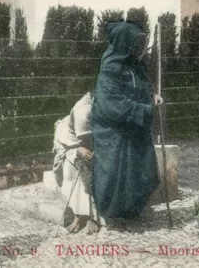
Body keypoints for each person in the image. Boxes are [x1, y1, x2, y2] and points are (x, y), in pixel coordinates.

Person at [90, 20, 161, 221]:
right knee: (117, 172)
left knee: (142, 168)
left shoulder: (134, 64)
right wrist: (145, 109)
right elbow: (111, 103)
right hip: (114, 129)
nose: (138, 48)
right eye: (134, 43)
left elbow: (144, 84)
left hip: (133, 125)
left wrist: (152, 95)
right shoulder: (110, 67)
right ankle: (112, 213)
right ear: (124, 42)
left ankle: (131, 210)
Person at [53, 91, 101, 234]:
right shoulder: (83, 109)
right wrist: (78, 149)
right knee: (78, 166)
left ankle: (94, 217)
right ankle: (79, 216)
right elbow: (79, 142)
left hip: (95, 143)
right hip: (71, 146)